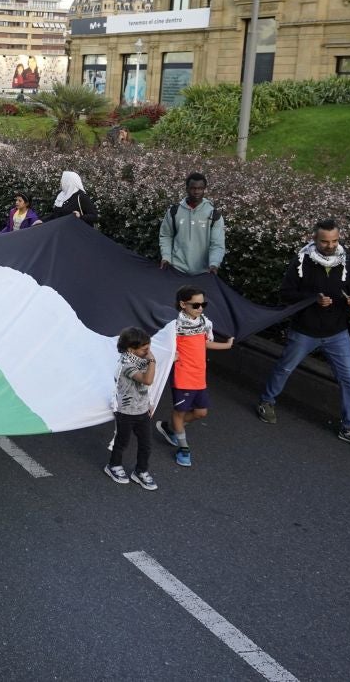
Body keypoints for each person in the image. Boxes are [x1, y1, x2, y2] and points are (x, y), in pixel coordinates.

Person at [256, 219, 350, 449]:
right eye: (324, 242)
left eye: (335, 241)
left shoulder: (348, 261)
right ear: (314, 239)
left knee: (349, 379)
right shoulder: (301, 261)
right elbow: (286, 293)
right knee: (285, 367)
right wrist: (313, 299)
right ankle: (266, 401)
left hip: (337, 331)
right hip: (305, 330)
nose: (330, 246)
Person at [156, 285, 234, 466]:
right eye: (196, 305)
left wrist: (226, 346)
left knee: (201, 412)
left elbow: (204, 344)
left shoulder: (202, 324)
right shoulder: (175, 327)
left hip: (199, 376)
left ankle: (171, 428)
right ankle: (183, 449)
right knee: (180, 413)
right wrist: (172, 355)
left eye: (203, 304)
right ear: (183, 304)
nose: (200, 309)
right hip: (183, 377)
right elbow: (165, 345)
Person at [104, 327, 158, 490]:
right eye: (145, 349)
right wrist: (153, 360)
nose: (148, 352)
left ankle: (140, 471)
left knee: (146, 444)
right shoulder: (126, 365)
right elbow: (147, 380)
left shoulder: (138, 359)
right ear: (130, 349)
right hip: (126, 412)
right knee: (122, 442)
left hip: (142, 411)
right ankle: (113, 466)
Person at [159, 172, 226, 275]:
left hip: (204, 272)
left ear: (204, 189)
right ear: (187, 188)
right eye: (193, 188)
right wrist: (166, 257)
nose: (196, 192)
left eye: (200, 188)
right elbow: (166, 235)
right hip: (177, 269)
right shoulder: (174, 212)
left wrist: (214, 264)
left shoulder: (214, 215)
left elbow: (217, 244)